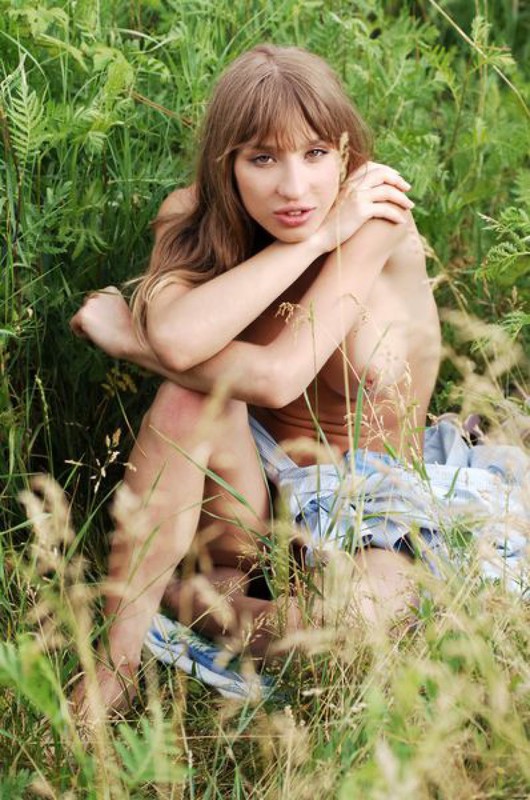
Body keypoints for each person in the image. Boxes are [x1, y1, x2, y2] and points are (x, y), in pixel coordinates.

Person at [70, 44, 442, 712]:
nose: (294, 188)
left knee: (358, 630)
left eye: (316, 153)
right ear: (226, 164)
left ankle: (189, 602)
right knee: (187, 398)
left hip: (370, 506)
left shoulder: (377, 217)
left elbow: (277, 378)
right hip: (248, 505)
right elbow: (181, 341)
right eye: (262, 159)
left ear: (346, 154)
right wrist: (316, 236)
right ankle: (117, 665)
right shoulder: (190, 217)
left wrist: (132, 343)